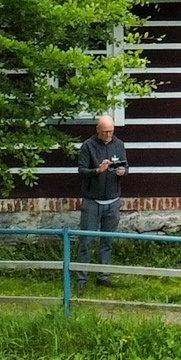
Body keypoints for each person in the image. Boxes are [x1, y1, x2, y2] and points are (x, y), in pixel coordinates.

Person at [75, 114, 129, 285]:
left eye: (111, 132)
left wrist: (123, 171)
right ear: (97, 130)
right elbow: (81, 171)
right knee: (86, 241)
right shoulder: (87, 146)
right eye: (105, 132)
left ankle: (103, 275)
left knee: (107, 241)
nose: (108, 135)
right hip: (92, 201)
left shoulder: (119, 144)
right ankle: (81, 279)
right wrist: (98, 170)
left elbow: (125, 165)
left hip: (113, 200)